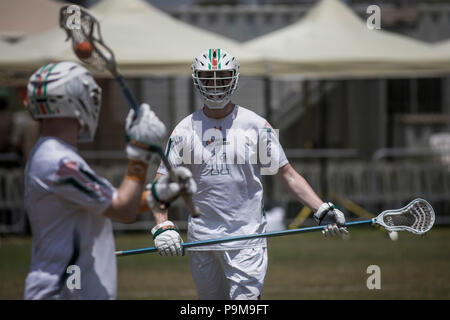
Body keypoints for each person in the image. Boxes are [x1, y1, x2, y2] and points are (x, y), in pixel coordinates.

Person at [152, 49, 348, 300]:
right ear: (196, 80)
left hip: (247, 240)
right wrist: (163, 226)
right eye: (207, 78)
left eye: (221, 78)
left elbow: (287, 174)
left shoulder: (254, 125)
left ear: (233, 79)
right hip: (201, 241)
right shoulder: (184, 129)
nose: (214, 85)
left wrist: (322, 210)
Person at [23, 61, 195, 300]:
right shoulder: (58, 162)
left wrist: (159, 194)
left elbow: (114, 202)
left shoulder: (56, 155)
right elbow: (123, 210)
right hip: (64, 291)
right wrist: (140, 153)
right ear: (73, 101)